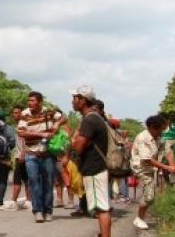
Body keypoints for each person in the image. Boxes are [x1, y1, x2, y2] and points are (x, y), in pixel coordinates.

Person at [17, 90, 66, 222]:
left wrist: (57, 123)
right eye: (29, 100)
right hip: (31, 153)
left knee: (48, 182)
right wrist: (41, 135)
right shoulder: (25, 114)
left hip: (47, 154)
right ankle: (37, 210)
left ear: (40, 102)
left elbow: (64, 117)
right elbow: (21, 132)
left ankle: (48, 211)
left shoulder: (48, 111)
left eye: (32, 100)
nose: (30, 103)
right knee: (34, 181)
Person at [70, 85, 111, 237]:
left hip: (94, 169)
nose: (73, 101)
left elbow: (78, 146)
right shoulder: (96, 117)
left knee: (101, 208)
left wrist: (74, 141)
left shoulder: (89, 120)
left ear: (83, 100)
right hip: (98, 167)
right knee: (101, 207)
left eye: (75, 98)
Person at [131, 114, 175, 230]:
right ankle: (139, 219)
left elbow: (168, 152)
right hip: (141, 169)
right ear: (151, 127)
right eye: (158, 129)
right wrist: (166, 167)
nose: (160, 132)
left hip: (151, 168)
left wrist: (174, 165)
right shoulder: (143, 138)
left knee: (150, 195)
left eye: (162, 130)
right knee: (149, 196)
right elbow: (147, 160)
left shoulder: (159, 137)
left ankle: (140, 218)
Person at [1, 104, 32, 211]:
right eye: (14, 113)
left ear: (21, 114)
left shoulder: (23, 125)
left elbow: (26, 140)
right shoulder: (19, 125)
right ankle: (29, 201)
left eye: (17, 113)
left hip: (22, 156)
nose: (15, 115)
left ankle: (13, 202)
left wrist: (23, 153)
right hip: (20, 155)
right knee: (26, 179)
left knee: (17, 179)